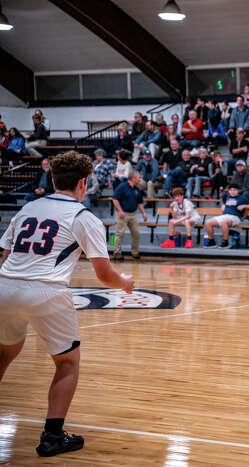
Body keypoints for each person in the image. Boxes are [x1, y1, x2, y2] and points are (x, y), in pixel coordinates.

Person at [0, 150, 134, 457]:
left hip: (5, 285)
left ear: (51, 178)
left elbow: (7, 255)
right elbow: (104, 274)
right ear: (84, 183)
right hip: (46, 291)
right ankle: (52, 437)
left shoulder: (29, 207)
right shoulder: (84, 217)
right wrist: (124, 283)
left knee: (4, 353)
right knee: (67, 362)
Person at [111, 171, 147, 260]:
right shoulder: (122, 186)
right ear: (133, 178)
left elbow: (140, 203)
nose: (140, 179)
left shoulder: (137, 189)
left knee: (136, 234)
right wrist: (120, 211)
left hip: (133, 214)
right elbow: (115, 199)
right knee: (120, 233)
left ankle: (134, 252)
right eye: (139, 177)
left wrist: (143, 213)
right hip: (122, 214)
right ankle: (117, 252)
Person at [204, 184, 249, 249]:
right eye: (231, 190)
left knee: (224, 222)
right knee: (208, 222)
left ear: (237, 191)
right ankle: (211, 242)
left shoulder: (242, 198)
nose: (232, 191)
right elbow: (224, 202)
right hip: (225, 215)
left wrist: (244, 206)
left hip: (235, 217)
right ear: (229, 191)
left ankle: (225, 242)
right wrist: (223, 205)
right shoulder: (227, 197)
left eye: (234, 190)